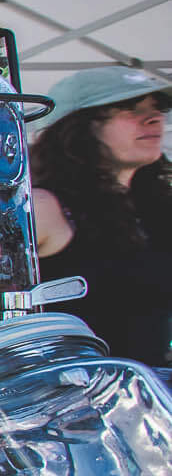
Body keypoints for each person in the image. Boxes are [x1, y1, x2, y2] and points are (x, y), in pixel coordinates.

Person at [29, 66, 172, 365]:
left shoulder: (153, 209)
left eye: (157, 108)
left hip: (147, 401)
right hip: (68, 401)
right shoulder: (44, 207)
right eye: (130, 110)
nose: (154, 118)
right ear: (78, 127)